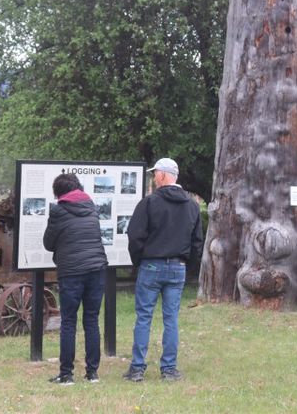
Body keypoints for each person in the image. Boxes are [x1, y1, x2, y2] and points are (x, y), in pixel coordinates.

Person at [124, 157, 203, 382]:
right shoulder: (192, 206)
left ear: (162, 175)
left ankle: (137, 368)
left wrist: (139, 260)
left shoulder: (149, 203)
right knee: (171, 319)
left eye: (155, 173)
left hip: (151, 264)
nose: (154, 177)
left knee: (144, 317)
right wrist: (188, 266)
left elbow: (135, 236)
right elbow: (197, 242)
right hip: (177, 266)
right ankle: (169, 369)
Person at [43, 173, 108, 385]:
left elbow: (48, 243)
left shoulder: (58, 210)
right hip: (97, 268)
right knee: (91, 319)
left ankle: (66, 374)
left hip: (71, 271)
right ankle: (92, 373)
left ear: (59, 192)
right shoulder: (92, 207)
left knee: (69, 321)